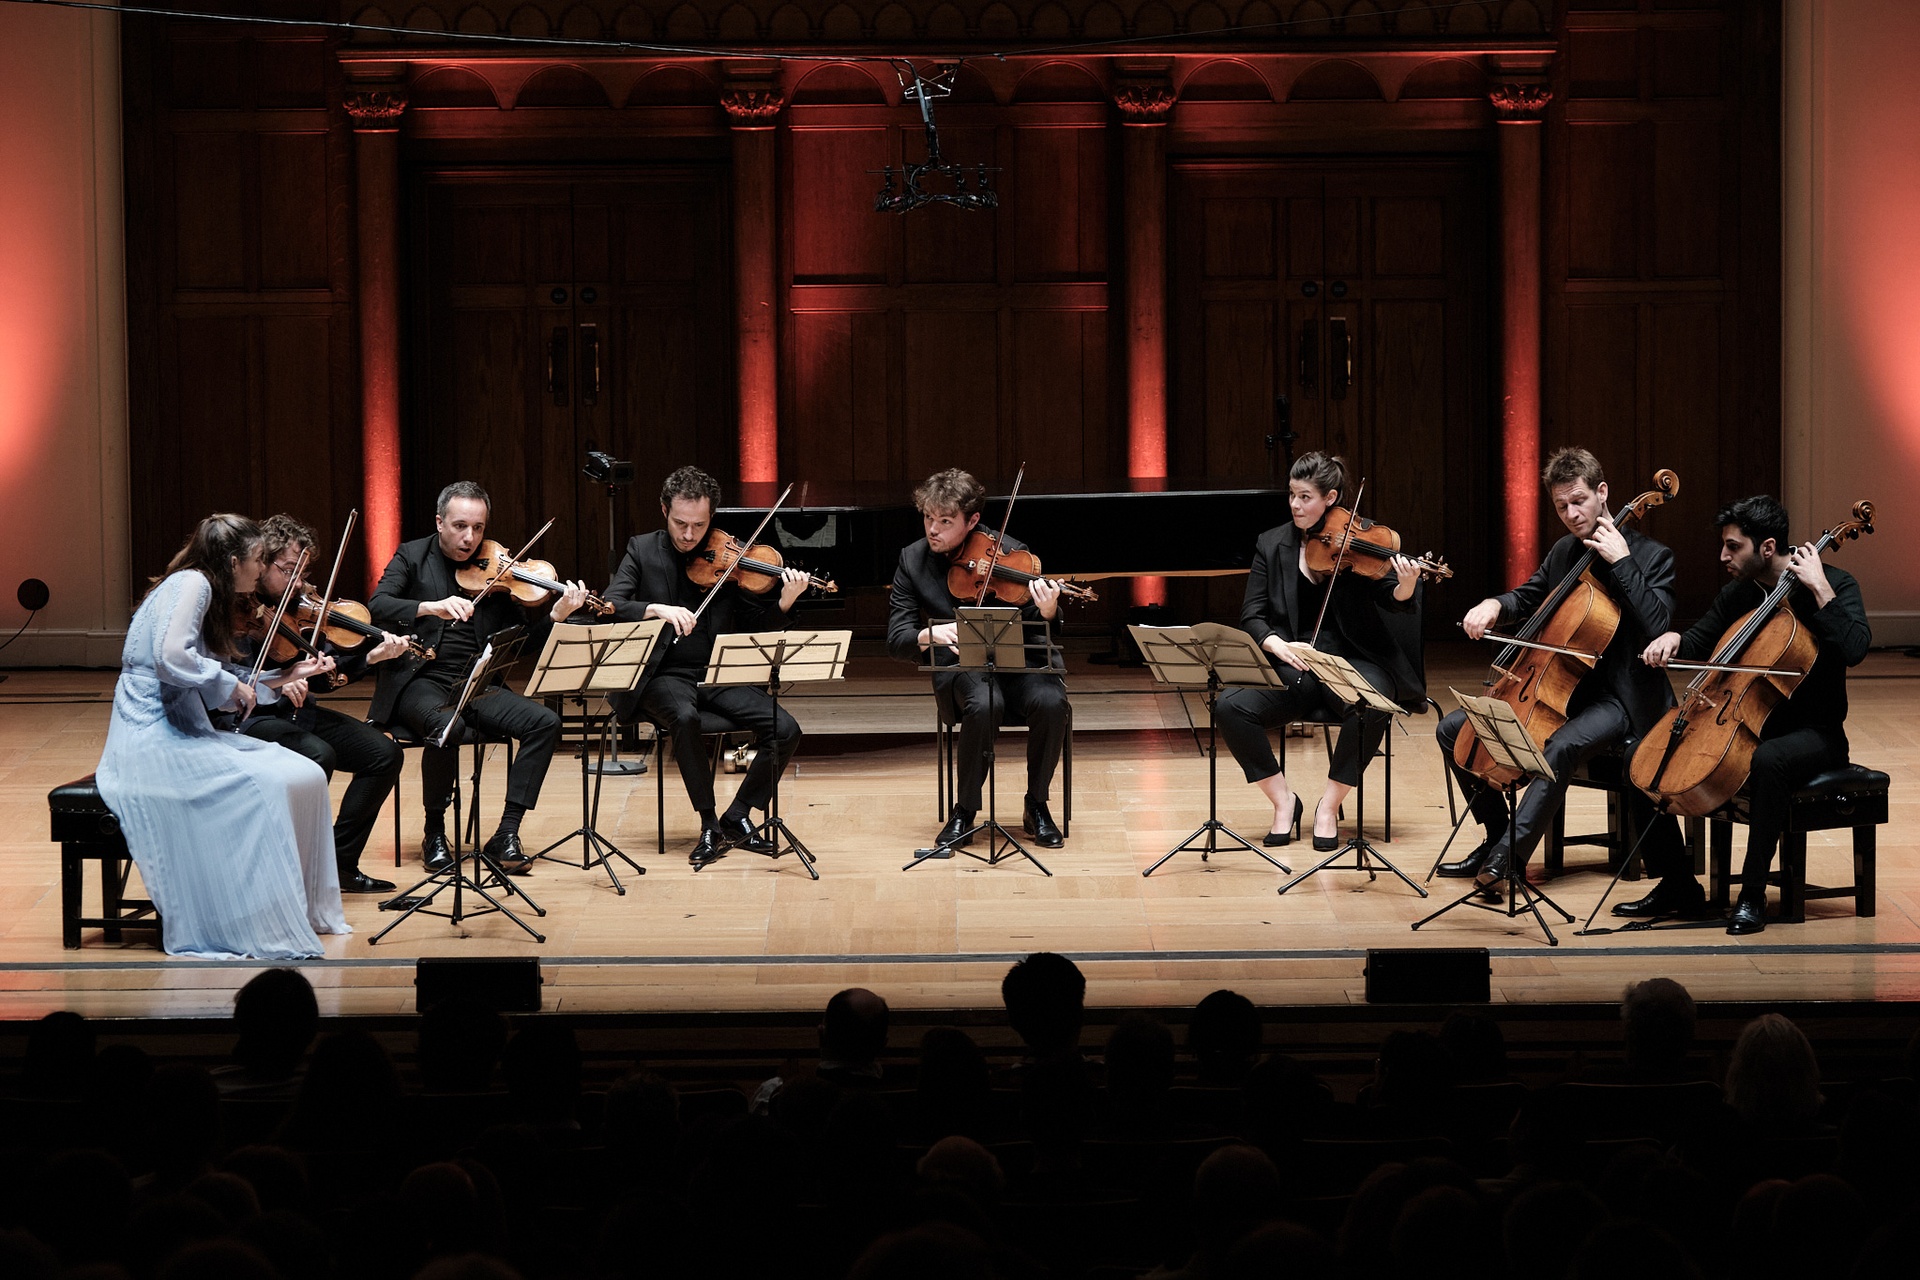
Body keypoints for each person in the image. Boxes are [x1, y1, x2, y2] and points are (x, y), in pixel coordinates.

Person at [94, 514, 349, 959]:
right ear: (233, 562)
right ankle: (247, 917)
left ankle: (292, 909)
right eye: (257, 559)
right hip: (152, 735)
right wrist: (232, 686)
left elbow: (220, 676)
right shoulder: (192, 583)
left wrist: (280, 676)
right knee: (265, 787)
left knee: (305, 774)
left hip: (182, 726)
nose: (260, 567)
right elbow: (170, 657)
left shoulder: (201, 589)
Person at [1622, 495, 1870, 933]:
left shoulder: (1837, 583)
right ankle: (1678, 882)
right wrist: (1673, 640)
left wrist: (1818, 588)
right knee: (1640, 757)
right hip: (1741, 723)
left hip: (1816, 734)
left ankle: (1752, 895)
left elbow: (1855, 648)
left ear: (1768, 547)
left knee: (1769, 759)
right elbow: (1700, 639)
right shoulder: (1741, 593)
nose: (1723, 556)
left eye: (1733, 546)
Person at [1434, 447, 1680, 888]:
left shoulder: (1651, 556)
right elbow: (1528, 597)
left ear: (1602, 493)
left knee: (1561, 748)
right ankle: (1496, 838)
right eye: (1561, 505)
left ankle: (1507, 858)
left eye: (1579, 500)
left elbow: (1659, 624)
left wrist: (1622, 562)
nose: (1570, 513)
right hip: (1561, 688)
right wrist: (1493, 604)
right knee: (1453, 729)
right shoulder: (1566, 551)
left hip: (1620, 698)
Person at [367, 481, 589, 874]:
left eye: (479, 527)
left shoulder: (499, 572)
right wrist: (430, 607)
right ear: (439, 522)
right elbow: (378, 605)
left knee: (544, 723)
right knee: (445, 725)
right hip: (421, 679)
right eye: (459, 526)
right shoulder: (412, 556)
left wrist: (556, 616)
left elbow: (521, 645)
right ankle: (434, 831)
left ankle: (506, 832)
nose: (470, 538)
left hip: (478, 682)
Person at [592, 465, 807, 866]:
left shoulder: (732, 558)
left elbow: (754, 625)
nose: (689, 535)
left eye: (699, 524)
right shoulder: (642, 549)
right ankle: (708, 824)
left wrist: (785, 601)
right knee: (685, 717)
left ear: (712, 518)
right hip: (663, 674)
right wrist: (653, 608)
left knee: (785, 728)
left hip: (715, 674)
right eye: (680, 523)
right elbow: (610, 605)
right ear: (664, 510)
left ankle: (738, 814)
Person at [1214, 452, 1424, 850]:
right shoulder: (1271, 543)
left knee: (1374, 704)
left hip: (1354, 659)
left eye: (1305, 497)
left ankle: (1328, 807)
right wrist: (1274, 642)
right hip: (1295, 663)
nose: (1295, 504)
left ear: (1330, 497)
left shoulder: (1358, 543)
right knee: (1230, 707)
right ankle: (1284, 802)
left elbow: (1392, 597)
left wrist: (1407, 584)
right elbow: (1252, 616)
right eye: (1292, 495)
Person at [887, 468, 1069, 851]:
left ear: (972, 521)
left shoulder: (1010, 554)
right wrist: (927, 634)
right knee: (985, 702)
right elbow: (896, 638)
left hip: (1018, 663)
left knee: (1052, 701)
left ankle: (1036, 805)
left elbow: (1042, 627)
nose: (933, 530)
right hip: (958, 668)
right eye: (928, 518)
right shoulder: (912, 560)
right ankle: (965, 809)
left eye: (945, 522)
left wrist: (1050, 611)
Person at [231, 514, 413, 893]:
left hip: (293, 714)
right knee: (317, 755)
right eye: (287, 570)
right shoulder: (236, 608)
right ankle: (287, 869)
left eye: (301, 572)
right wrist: (279, 682)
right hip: (248, 721)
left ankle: (339, 863)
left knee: (383, 754)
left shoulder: (298, 610)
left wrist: (370, 658)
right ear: (261, 563)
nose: (298, 583)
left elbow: (324, 678)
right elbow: (227, 674)